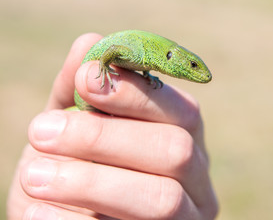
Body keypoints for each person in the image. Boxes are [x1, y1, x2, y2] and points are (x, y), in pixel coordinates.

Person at [7, 33, 218, 220]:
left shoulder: (148, 60)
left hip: (96, 115)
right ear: (170, 56)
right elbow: (113, 50)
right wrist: (104, 66)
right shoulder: (138, 54)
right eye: (192, 65)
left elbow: (139, 64)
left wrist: (147, 74)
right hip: (83, 104)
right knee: (83, 121)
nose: (203, 74)